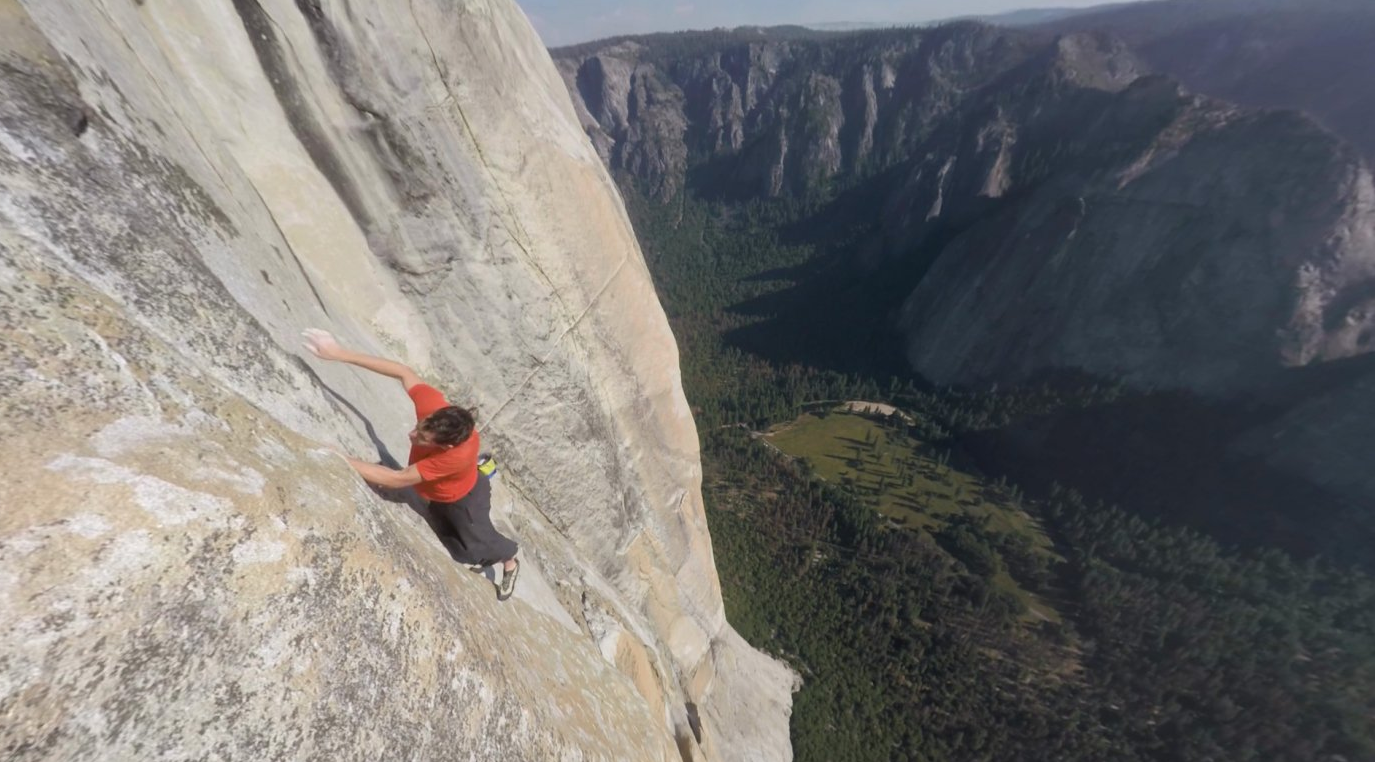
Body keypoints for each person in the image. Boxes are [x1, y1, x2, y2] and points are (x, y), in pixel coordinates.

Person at [302, 328, 520, 601]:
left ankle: (510, 559)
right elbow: (403, 372)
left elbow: (396, 479)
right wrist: (338, 353)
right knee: (451, 541)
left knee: (474, 548)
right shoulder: (435, 410)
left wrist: (341, 458)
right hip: (439, 493)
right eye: (419, 427)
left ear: (446, 447)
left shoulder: (454, 457)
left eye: (422, 438)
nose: (412, 435)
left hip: (464, 500)